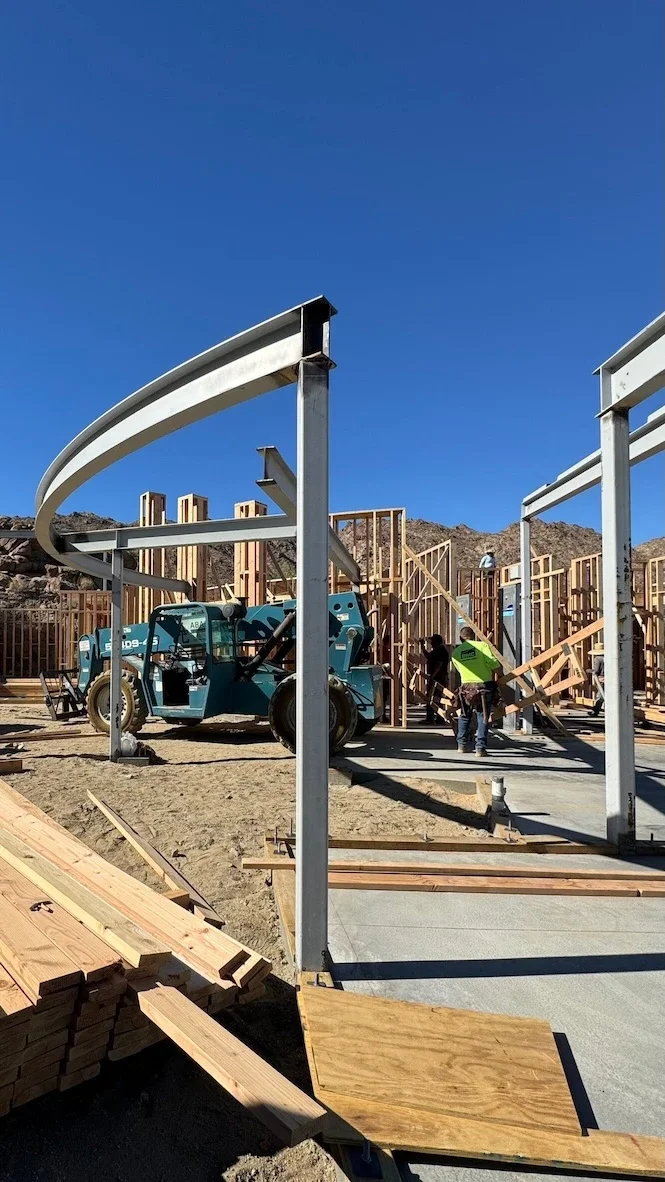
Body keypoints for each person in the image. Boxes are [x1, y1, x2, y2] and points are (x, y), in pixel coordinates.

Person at [451, 626, 501, 756]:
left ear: (460, 638)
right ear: (473, 636)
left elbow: (458, 669)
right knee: (482, 716)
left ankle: (461, 745)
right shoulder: (482, 646)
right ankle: (480, 749)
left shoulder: (456, 652)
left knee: (464, 715)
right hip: (484, 686)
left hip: (466, 688)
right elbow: (493, 663)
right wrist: (498, 673)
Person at [419, 633, 450, 724]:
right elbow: (428, 656)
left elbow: (439, 665)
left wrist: (432, 676)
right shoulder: (437, 650)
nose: (431, 643)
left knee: (432, 697)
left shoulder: (441, 650)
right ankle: (438, 718)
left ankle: (432, 718)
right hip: (438, 677)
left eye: (432, 641)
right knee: (436, 698)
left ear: (436, 642)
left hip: (438, 678)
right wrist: (422, 647)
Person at [590, 644, 605, 717]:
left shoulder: (597, 659)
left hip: (601, 679)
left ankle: (595, 711)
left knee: (600, 696)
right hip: (610, 679)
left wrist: (590, 671)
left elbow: (596, 670)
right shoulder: (610, 657)